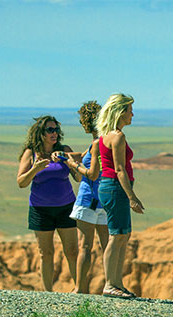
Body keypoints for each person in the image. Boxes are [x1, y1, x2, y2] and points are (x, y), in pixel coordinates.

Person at [17, 115, 79, 292]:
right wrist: (35, 169)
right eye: (50, 130)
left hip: (66, 206)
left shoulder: (64, 150)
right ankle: (47, 292)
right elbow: (21, 182)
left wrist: (69, 162)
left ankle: (79, 289)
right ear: (41, 133)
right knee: (46, 253)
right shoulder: (31, 153)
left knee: (72, 251)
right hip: (40, 209)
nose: (54, 133)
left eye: (56, 130)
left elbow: (79, 177)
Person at [95, 93, 142, 299]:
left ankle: (117, 282)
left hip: (111, 187)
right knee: (116, 235)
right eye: (129, 110)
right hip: (115, 187)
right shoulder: (118, 137)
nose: (132, 114)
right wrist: (132, 196)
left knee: (123, 234)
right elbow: (119, 169)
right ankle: (109, 284)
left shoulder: (106, 136)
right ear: (120, 112)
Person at [63, 101, 109, 294]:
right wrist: (67, 155)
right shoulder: (107, 141)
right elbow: (85, 155)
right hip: (105, 199)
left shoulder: (96, 143)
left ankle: (80, 288)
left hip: (88, 199)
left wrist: (73, 165)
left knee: (85, 247)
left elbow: (91, 173)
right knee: (108, 246)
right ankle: (111, 284)